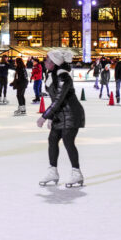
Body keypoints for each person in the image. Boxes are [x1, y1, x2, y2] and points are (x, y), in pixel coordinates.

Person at [37, 49, 85, 188]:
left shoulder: (63, 76)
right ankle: (52, 171)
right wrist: (51, 117)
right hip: (60, 114)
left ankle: (76, 173)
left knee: (67, 140)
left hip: (72, 114)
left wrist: (45, 116)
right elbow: (55, 100)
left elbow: (59, 99)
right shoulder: (52, 75)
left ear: (54, 62)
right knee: (52, 139)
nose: (45, 62)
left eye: (47, 60)